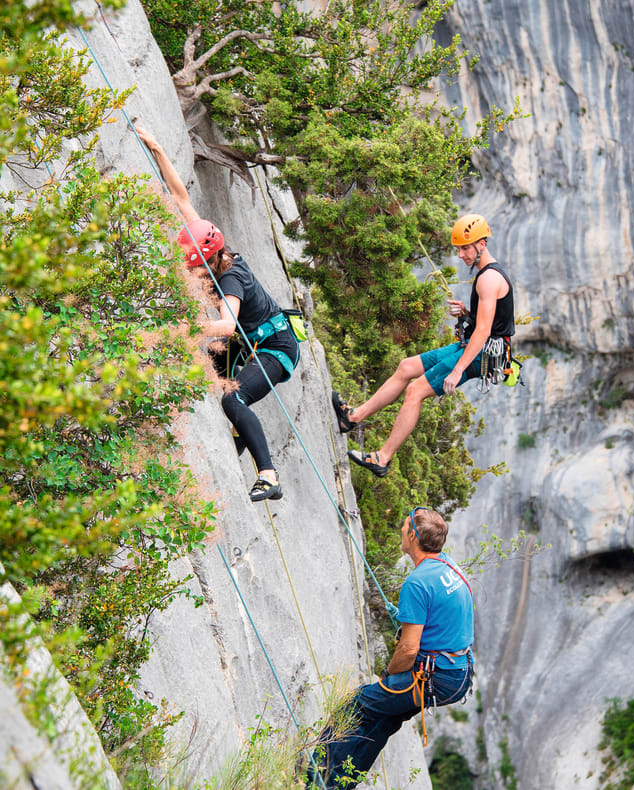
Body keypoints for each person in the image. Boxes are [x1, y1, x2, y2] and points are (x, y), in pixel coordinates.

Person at [136, 127, 299, 502]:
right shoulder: (212, 248)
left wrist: (184, 326)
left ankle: (269, 474)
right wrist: (158, 147)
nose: (191, 275)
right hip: (247, 342)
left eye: (192, 269)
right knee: (202, 364)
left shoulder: (229, 280)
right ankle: (234, 437)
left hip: (276, 348)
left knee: (233, 398)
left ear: (206, 263)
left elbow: (226, 323)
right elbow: (181, 199)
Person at [333, 213, 515, 477]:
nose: (461, 255)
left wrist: (457, 371)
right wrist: (466, 313)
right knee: (407, 367)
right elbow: (486, 323)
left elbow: (485, 331)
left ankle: (382, 459)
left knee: (415, 391)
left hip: (481, 354)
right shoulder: (486, 275)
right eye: (459, 249)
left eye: (465, 248)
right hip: (476, 346)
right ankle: (352, 417)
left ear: (482, 244)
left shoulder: (489, 279)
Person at [308, 507, 473, 789]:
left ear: (412, 535)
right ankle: (338, 784)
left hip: (436, 676)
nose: (400, 530)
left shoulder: (418, 583)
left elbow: (408, 650)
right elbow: (441, 617)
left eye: (404, 526)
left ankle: (312, 777)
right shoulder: (450, 566)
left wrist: (388, 674)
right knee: (384, 719)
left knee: (357, 704)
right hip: (458, 671)